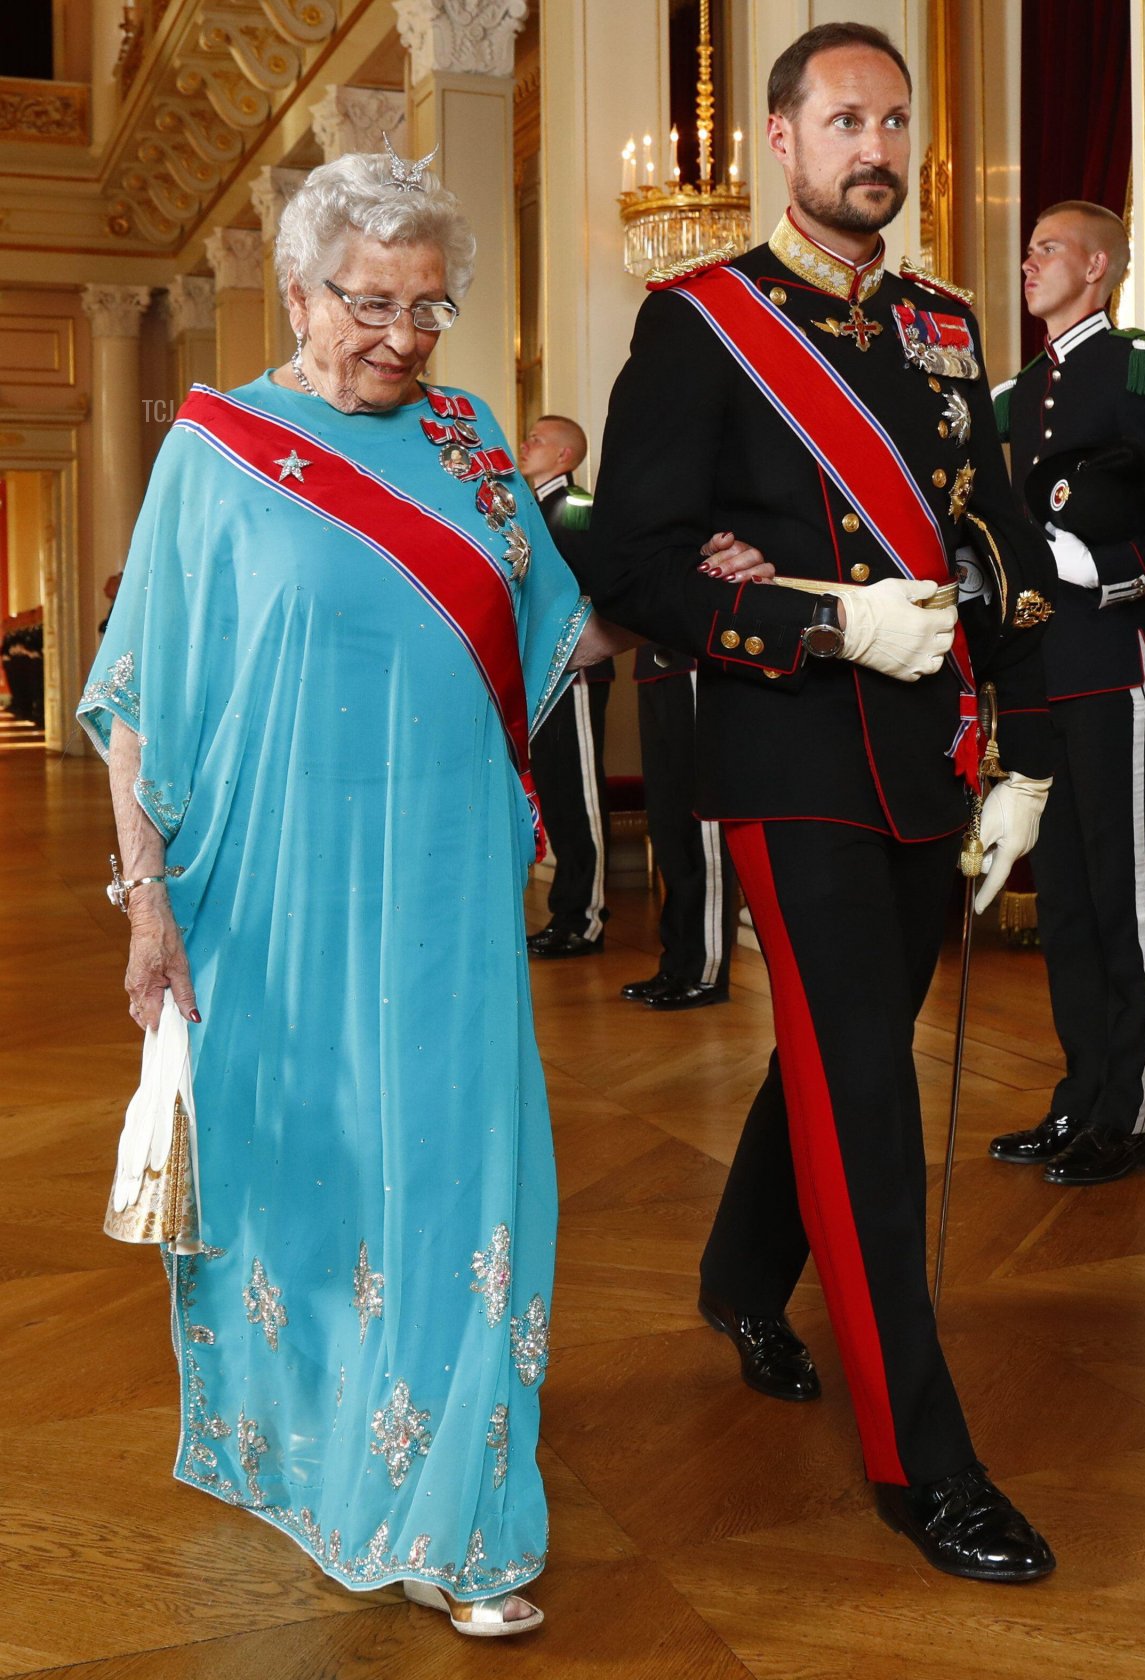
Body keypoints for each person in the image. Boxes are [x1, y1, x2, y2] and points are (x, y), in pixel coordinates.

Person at [77, 148, 631, 1639]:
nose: (398, 335)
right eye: (365, 303)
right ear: (299, 286)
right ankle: (312, 1446)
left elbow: (557, 638)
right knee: (298, 1170)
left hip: (445, 878)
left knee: (463, 1168)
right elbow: (136, 702)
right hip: (269, 888)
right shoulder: (217, 448)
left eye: (428, 306)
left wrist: (678, 556)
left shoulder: (466, 439)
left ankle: (462, 1519)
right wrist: (147, 906)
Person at [587, 22, 1060, 1581]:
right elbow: (639, 561)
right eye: (845, 117)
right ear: (781, 140)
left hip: (934, 754)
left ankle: (740, 1272)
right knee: (869, 1091)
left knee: (837, 1046)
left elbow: (988, 538)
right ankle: (924, 1462)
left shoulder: (940, 323)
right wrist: (816, 621)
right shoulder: (700, 323)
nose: (878, 145)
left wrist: (1029, 754)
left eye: (896, 121)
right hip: (795, 762)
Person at [988, 202, 1145, 1184]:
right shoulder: (1019, 393)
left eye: (1049, 249)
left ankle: (1134, 1111)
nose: (1029, 263)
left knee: (1127, 895)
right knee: (1064, 901)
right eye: (1027, 250)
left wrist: (1108, 566)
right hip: (1043, 677)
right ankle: (1081, 1101)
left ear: (1101, 266)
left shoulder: (1140, 367)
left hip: (1121, 665)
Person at [521, 415, 614, 958]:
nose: (525, 444)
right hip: (542, 670)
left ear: (565, 457)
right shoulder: (530, 508)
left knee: (578, 794)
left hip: (575, 670)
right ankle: (567, 912)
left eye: (538, 439)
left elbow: (593, 581)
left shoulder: (576, 506)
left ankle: (586, 917)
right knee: (556, 793)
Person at [620, 642, 739, 1009]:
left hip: (695, 660)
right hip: (655, 664)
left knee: (702, 832)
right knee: (668, 827)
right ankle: (677, 963)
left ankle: (706, 970)